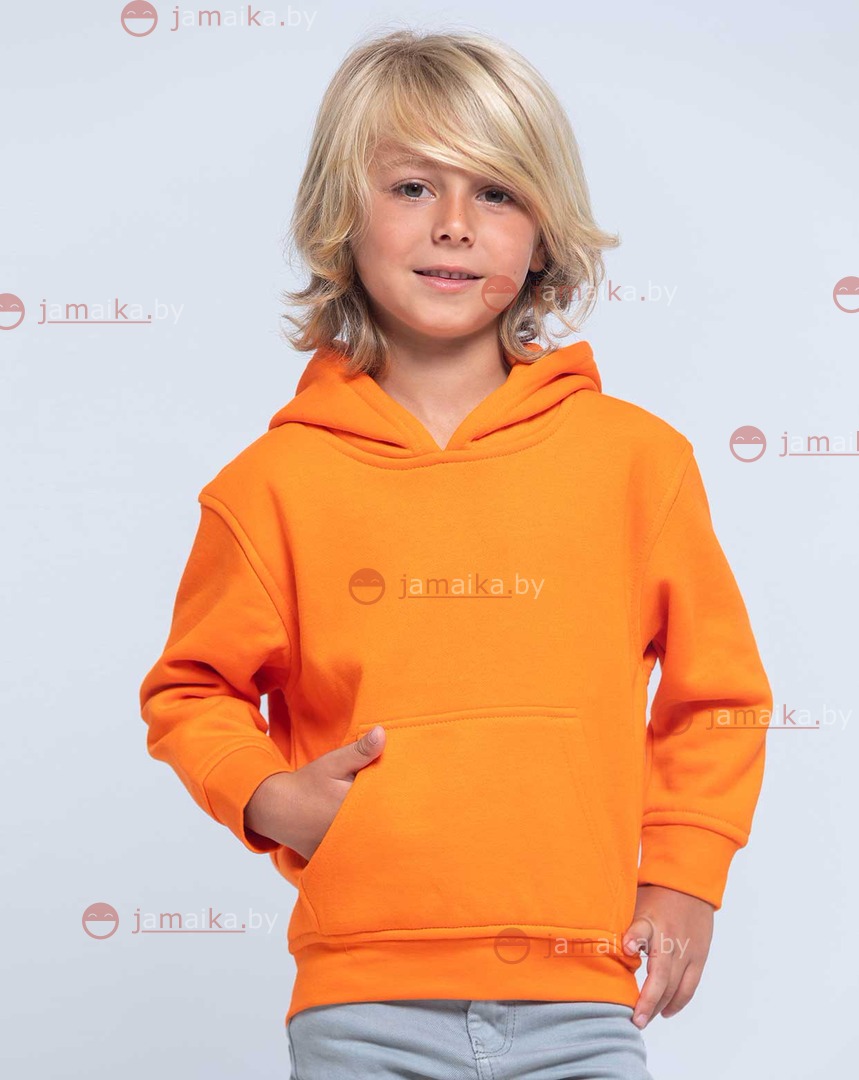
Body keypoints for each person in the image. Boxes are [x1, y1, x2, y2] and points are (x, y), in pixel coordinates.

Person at [138, 25, 772, 1080]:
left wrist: (684, 877)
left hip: (583, 996)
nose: (454, 226)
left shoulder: (637, 463)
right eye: (411, 187)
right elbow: (190, 690)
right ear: (341, 215)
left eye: (496, 193)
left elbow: (719, 697)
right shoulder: (272, 484)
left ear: (545, 233)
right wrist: (265, 795)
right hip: (360, 1004)